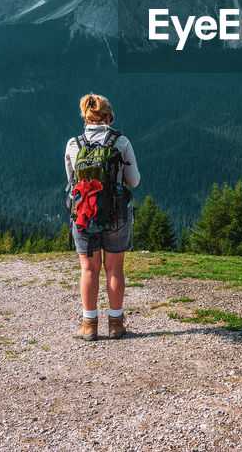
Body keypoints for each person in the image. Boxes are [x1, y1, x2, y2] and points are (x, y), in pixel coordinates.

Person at [65, 93, 140, 340]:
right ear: (108, 117)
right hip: (116, 212)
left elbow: (71, 182)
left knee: (89, 269)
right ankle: (116, 324)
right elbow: (134, 181)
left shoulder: (73, 144)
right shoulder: (121, 142)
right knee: (114, 269)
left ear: (85, 118)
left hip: (85, 214)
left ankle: (89, 326)